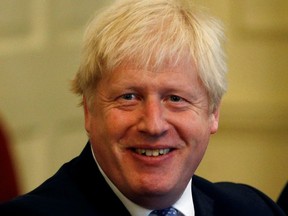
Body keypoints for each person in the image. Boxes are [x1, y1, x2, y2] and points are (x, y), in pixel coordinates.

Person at [0, 0, 285, 215]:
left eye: (175, 99)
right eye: (129, 97)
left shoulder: (255, 209)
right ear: (88, 110)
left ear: (213, 113)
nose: (153, 124)